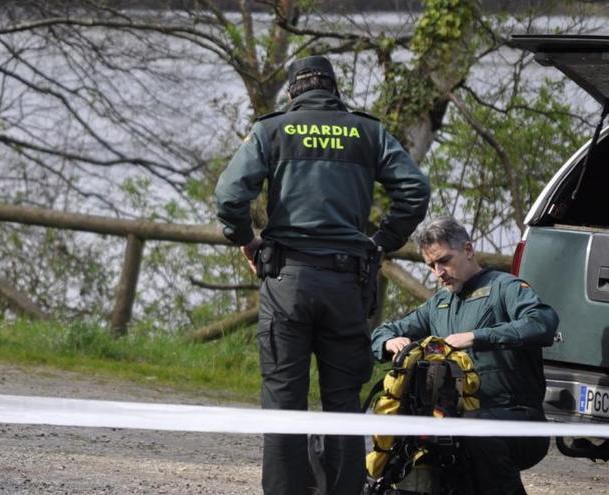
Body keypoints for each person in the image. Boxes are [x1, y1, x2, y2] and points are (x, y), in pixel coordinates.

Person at [213, 55, 430, 495]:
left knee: (283, 407)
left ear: (293, 91)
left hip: (286, 280)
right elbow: (415, 190)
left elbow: (229, 195)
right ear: (334, 89)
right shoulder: (367, 132)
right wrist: (381, 241)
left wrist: (245, 239)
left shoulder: (272, 130)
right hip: (346, 285)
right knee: (342, 407)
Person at [371, 216, 558, 495]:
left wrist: (475, 337)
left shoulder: (504, 287)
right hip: (458, 422)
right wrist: (389, 342)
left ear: (468, 250)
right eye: (431, 265)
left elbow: (543, 322)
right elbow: (383, 332)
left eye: (444, 260)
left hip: (520, 422)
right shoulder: (439, 304)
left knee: (472, 432)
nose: (438, 272)